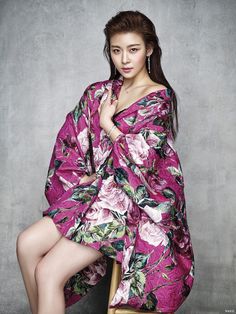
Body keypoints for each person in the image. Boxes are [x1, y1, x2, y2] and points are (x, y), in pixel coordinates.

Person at [16, 10, 194, 314]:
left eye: (133, 49)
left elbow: (143, 159)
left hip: (128, 205)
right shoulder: (99, 92)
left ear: (149, 49)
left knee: (48, 272)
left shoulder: (158, 98)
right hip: (94, 194)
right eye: (116, 50)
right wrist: (90, 178)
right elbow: (70, 143)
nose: (124, 59)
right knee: (27, 244)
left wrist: (108, 124)